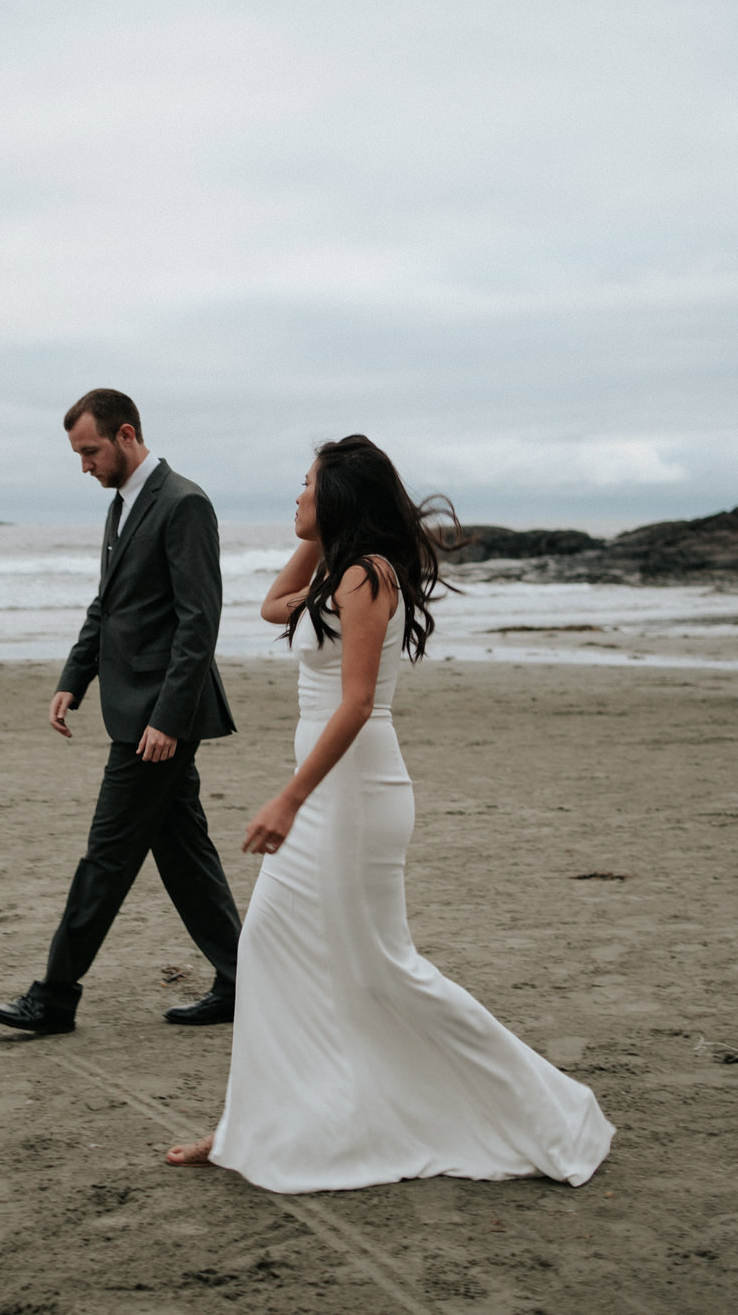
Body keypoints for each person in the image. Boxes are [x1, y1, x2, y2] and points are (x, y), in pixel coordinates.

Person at [164, 435, 614, 1192]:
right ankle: (249, 1124)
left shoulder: (368, 577)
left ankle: (554, 1111)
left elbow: (359, 703)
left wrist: (289, 798)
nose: (296, 497)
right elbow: (271, 604)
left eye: (307, 486)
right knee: (271, 948)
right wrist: (316, 537)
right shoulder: (340, 571)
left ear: (338, 497)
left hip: (352, 794)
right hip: (327, 790)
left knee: (384, 967)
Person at [0, 389, 243, 1035]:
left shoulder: (184, 503)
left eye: (90, 451)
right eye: (78, 454)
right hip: (134, 710)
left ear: (126, 434)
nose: (85, 467)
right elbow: (109, 606)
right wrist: (75, 677)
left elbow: (198, 622)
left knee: (105, 858)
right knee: (185, 856)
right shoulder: (123, 505)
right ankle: (245, 978)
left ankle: (55, 995)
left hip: (158, 723)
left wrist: (168, 717)